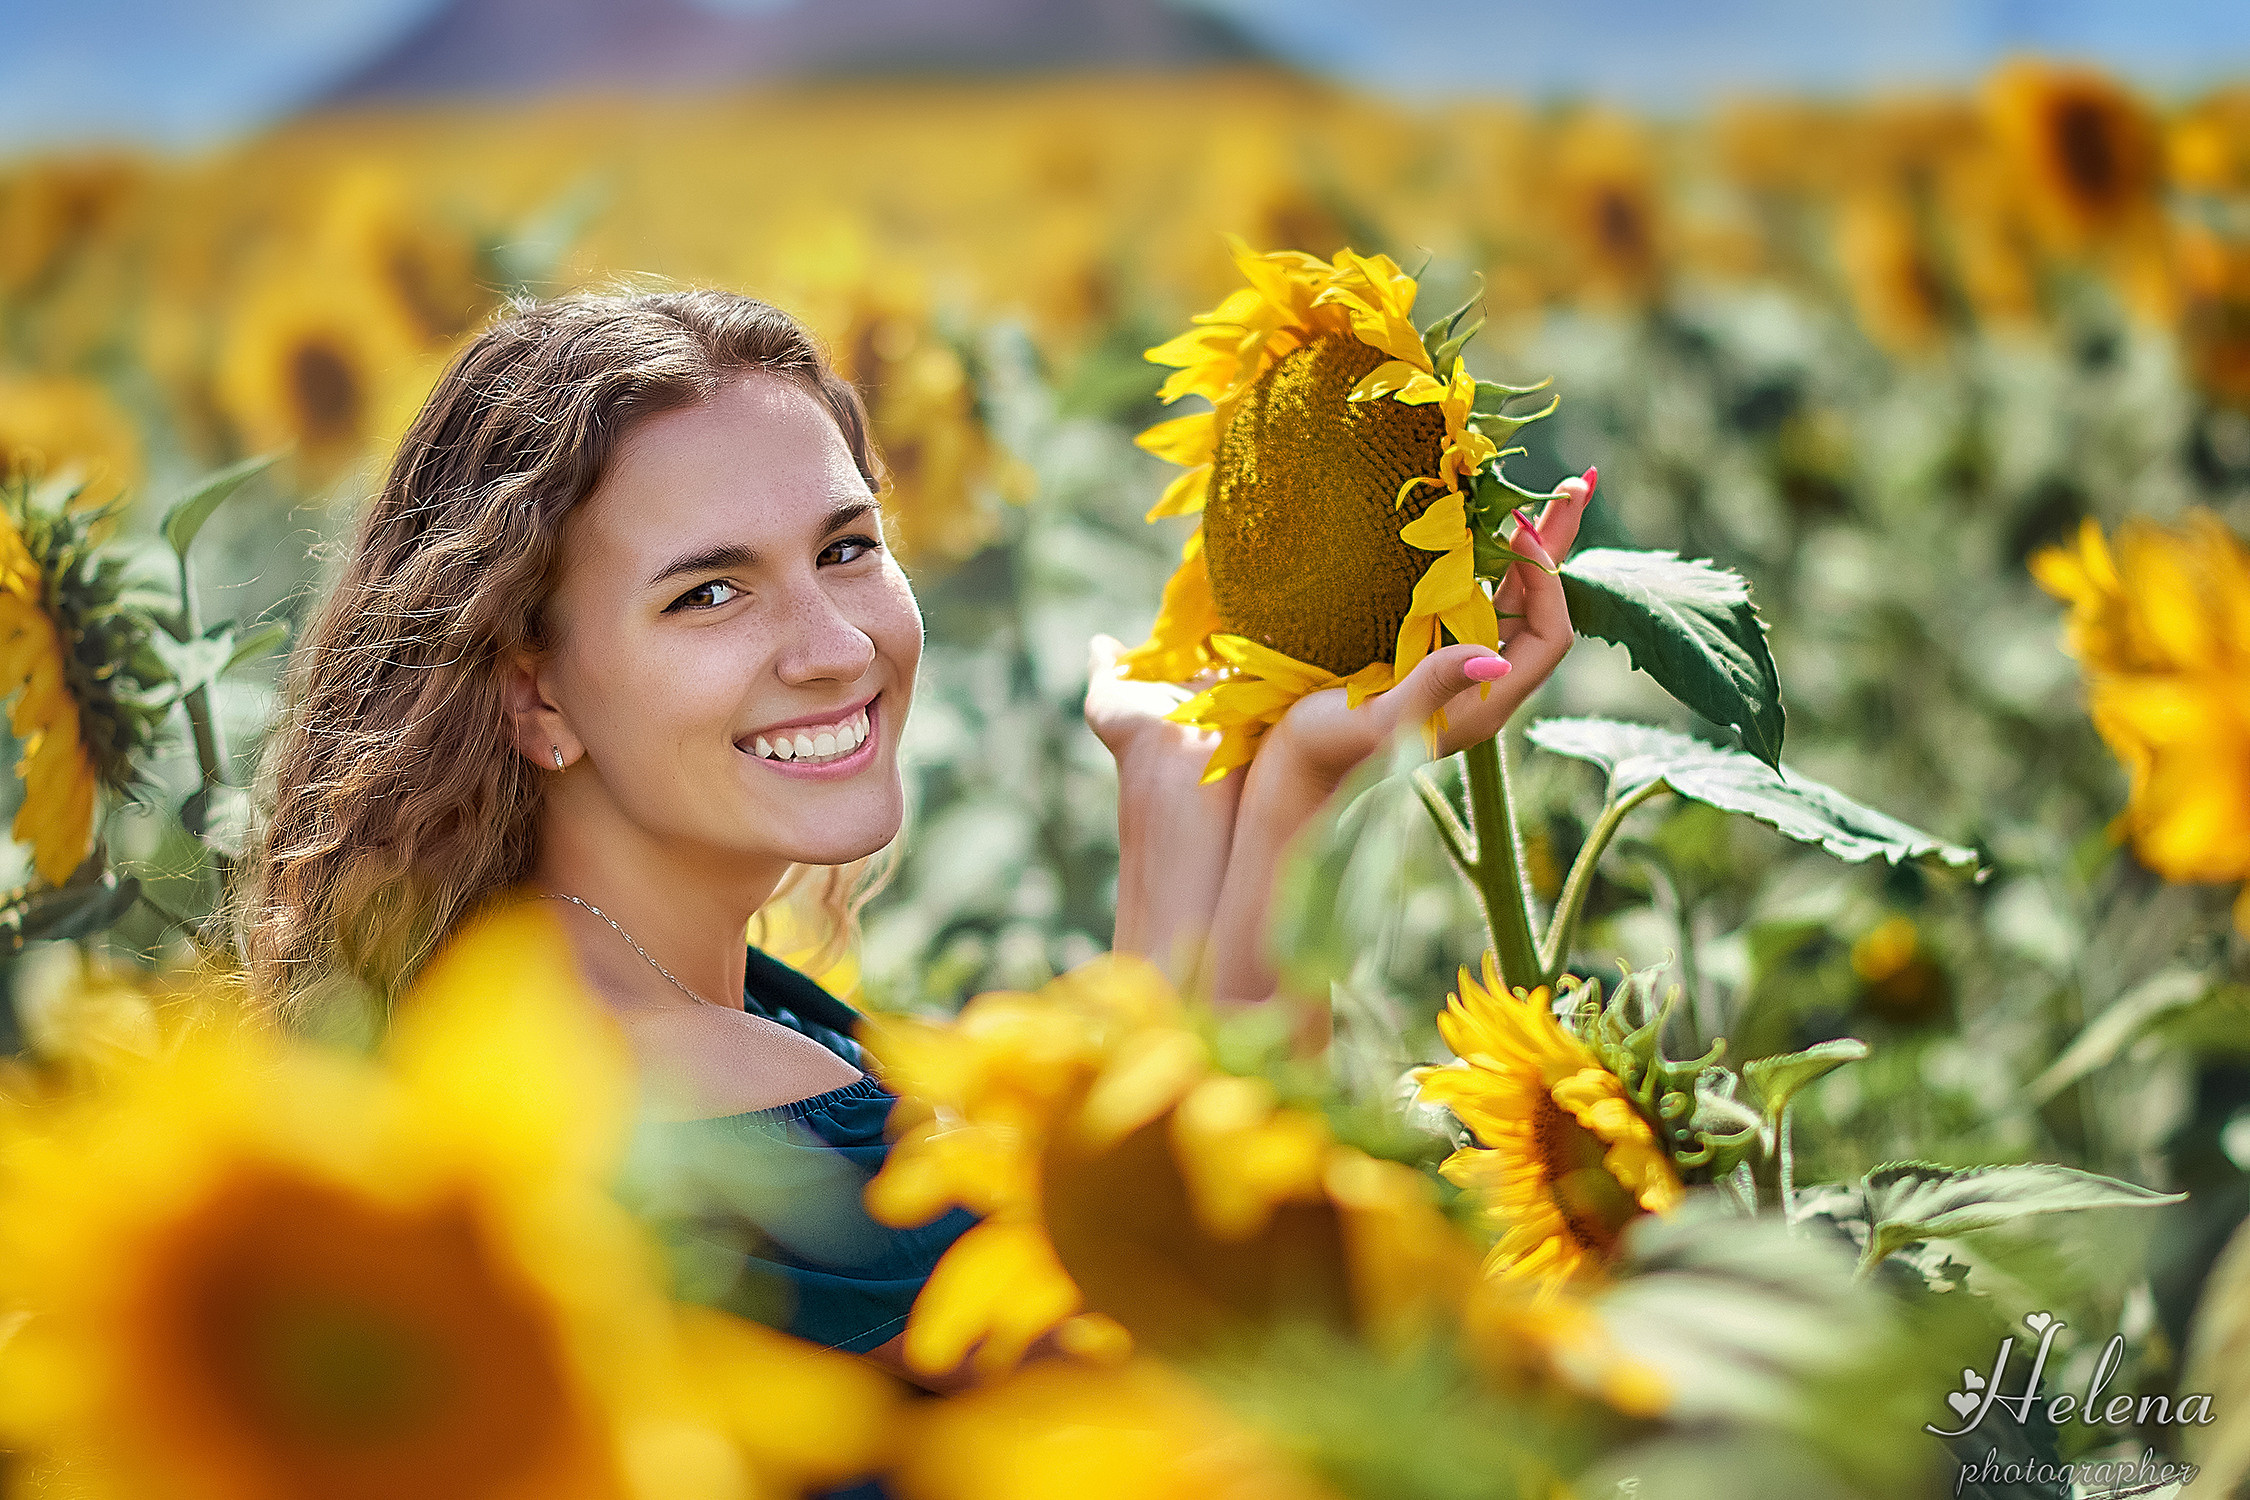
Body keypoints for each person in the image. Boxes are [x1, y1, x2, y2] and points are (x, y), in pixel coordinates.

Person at [236, 287, 1590, 1389]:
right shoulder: (708, 1106)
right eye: (709, 593)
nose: (832, 650)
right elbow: (1171, 1338)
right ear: (534, 689)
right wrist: (1278, 808)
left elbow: (1105, 1223)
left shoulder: (525, 985)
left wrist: (1188, 783)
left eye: (845, 549)